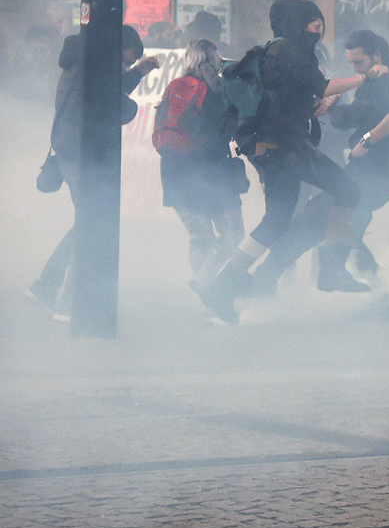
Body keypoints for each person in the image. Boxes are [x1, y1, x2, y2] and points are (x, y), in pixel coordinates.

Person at [192, 0, 383, 323]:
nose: (318, 26)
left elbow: (289, 98)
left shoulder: (280, 51)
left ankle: (222, 286)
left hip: (271, 146)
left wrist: (315, 107)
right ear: (295, 23)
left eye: (319, 20)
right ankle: (333, 269)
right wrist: (366, 78)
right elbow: (323, 85)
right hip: (286, 147)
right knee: (349, 190)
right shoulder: (288, 50)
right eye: (311, 21)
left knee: (277, 219)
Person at [245, 28, 389, 296]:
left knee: (315, 222)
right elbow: (351, 119)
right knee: (333, 227)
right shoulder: (370, 84)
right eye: (351, 63)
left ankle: (264, 281)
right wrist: (334, 109)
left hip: (382, 173)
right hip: (362, 170)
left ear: (377, 55)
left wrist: (367, 141)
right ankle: (380, 299)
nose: (355, 68)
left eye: (359, 62)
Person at [27, 25, 158, 320]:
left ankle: (46, 287)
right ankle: (69, 303)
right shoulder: (96, 66)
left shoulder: (83, 60)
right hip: (82, 151)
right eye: (126, 60)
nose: (126, 66)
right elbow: (116, 104)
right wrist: (135, 106)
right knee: (93, 224)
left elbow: (110, 88)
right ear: (119, 49)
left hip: (68, 148)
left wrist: (136, 72)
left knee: (88, 220)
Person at [153, 39, 247, 285]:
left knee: (201, 238)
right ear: (216, 59)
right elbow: (229, 128)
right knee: (233, 235)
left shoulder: (175, 87)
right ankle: (207, 286)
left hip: (174, 172)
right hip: (211, 170)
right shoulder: (218, 89)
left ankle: (205, 288)